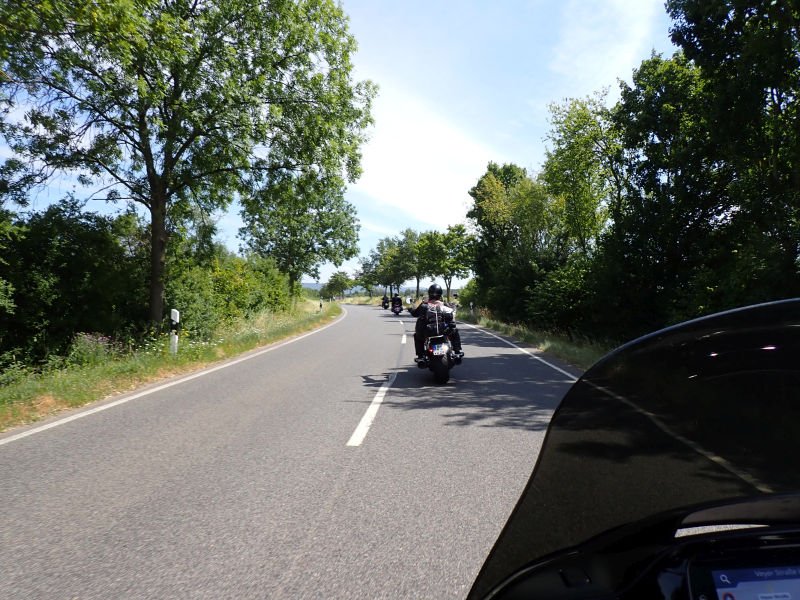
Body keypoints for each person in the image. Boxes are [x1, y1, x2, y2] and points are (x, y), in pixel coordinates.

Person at [409, 283, 463, 363]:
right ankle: (457, 351)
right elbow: (452, 311)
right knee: (455, 331)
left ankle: (420, 356)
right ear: (440, 294)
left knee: (417, 336)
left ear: (429, 293)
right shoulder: (445, 305)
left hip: (428, 332)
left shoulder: (424, 306)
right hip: (443, 331)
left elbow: (414, 313)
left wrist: (412, 308)